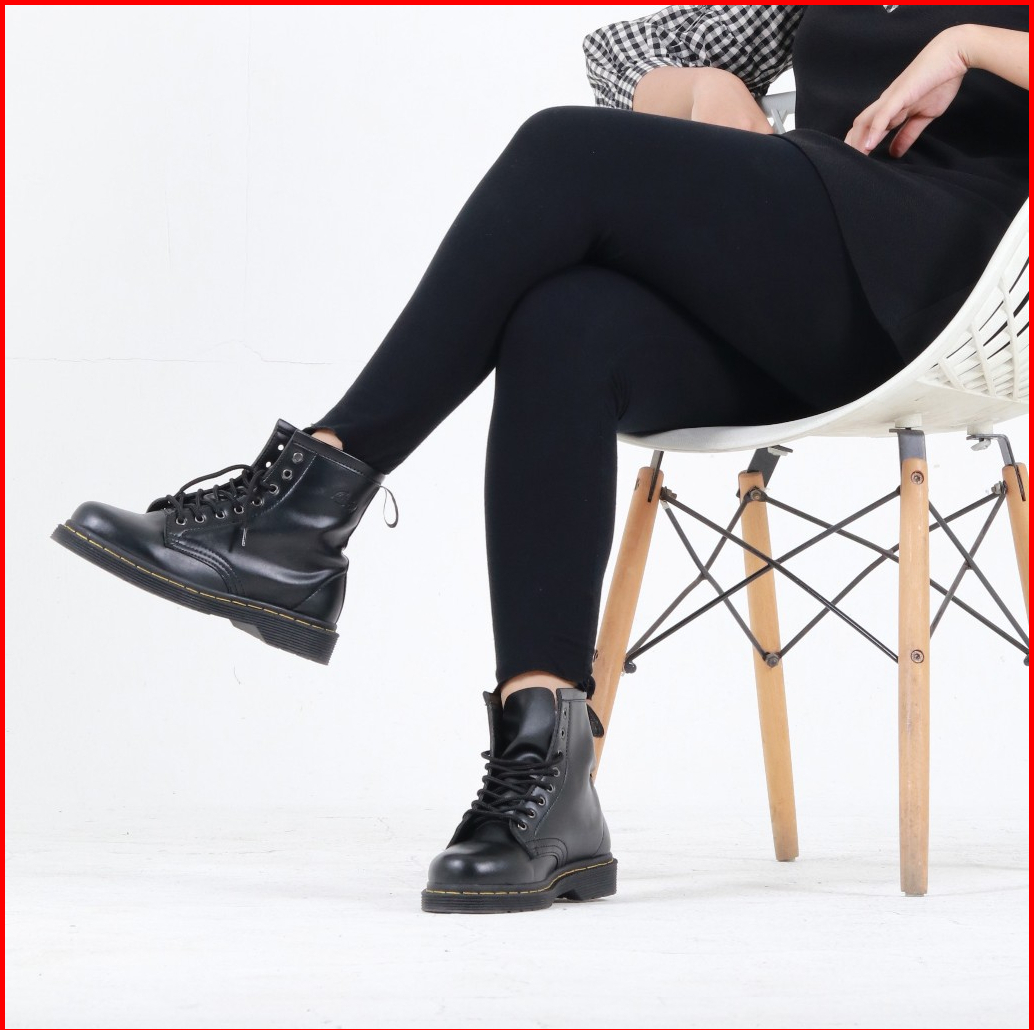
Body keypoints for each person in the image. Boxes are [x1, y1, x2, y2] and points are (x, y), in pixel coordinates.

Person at [52, 6, 1028, 914]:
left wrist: (971, 45)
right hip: (803, 284)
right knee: (561, 322)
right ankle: (546, 763)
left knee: (562, 149)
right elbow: (624, 61)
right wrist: (704, 86)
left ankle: (303, 509)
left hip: (951, 281)